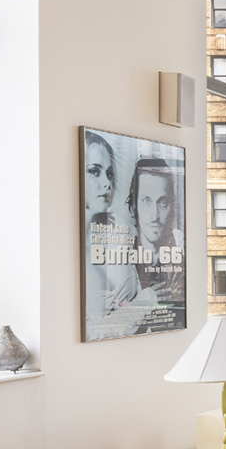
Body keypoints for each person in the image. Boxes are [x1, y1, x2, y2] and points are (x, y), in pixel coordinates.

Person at [83, 130, 141, 322]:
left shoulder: (122, 236)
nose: (106, 183)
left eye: (109, 174)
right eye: (94, 171)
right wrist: (146, 303)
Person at [127, 158, 185, 311]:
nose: (155, 215)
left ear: (172, 208)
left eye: (162, 203)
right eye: (147, 201)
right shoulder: (120, 261)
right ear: (134, 207)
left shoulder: (184, 257)